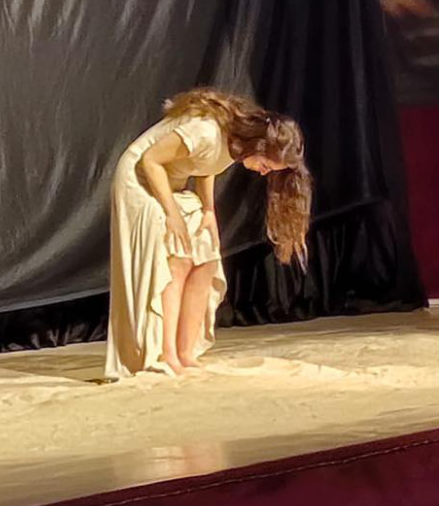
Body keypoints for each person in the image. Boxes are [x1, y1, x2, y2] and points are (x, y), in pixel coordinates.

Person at [104, 88, 312, 379]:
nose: (264, 173)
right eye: (266, 165)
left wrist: (208, 210)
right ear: (259, 145)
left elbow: (207, 164)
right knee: (178, 257)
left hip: (171, 183)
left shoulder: (235, 144)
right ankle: (166, 354)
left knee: (206, 258)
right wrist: (172, 214)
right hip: (139, 180)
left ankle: (186, 352)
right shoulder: (206, 131)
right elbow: (150, 160)